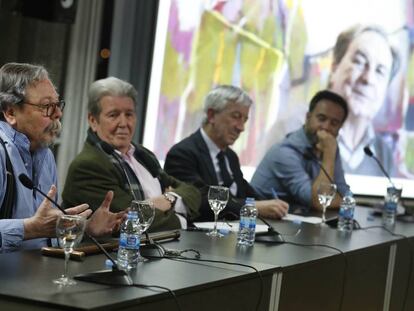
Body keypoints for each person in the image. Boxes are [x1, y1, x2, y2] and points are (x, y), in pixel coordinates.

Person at [0, 62, 124, 252]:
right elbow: (37, 229)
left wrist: (87, 228)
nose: (58, 113)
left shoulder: (45, 154)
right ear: (10, 112)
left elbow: (48, 238)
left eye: (57, 104)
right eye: (46, 106)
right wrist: (29, 229)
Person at [62, 77, 200, 232]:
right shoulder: (88, 166)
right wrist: (181, 217)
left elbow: (192, 192)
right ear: (93, 120)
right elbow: (133, 220)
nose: (124, 123)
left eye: (129, 114)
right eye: (113, 115)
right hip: (113, 254)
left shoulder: (142, 155)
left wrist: (169, 199)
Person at [164, 85, 289, 221]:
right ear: (211, 115)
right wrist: (252, 207)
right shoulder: (182, 154)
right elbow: (199, 201)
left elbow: (243, 193)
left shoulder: (230, 156)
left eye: (245, 120)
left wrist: (274, 205)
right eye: (236, 117)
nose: (241, 127)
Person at [251, 90, 349, 213]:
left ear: (340, 127)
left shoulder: (330, 146)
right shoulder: (284, 151)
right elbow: (318, 202)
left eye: (334, 123)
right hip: (258, 223)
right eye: (321, 119)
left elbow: (345, 196)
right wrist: (329, 155)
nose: (326, 127)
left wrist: (335, 199)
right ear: (308, 117)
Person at [328, 24, 399, 176]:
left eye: (380, 71)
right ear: (334, 68)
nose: (368, 78)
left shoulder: (383, 156)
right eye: (359, 62)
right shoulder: (292, 132)